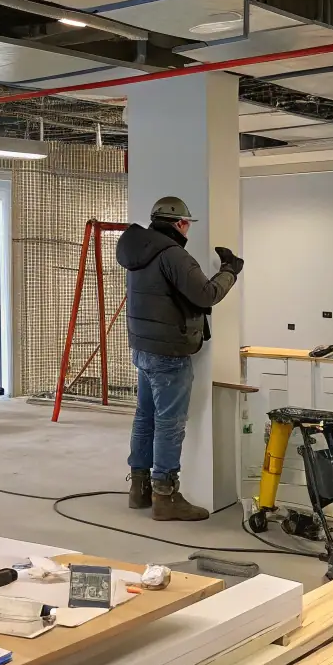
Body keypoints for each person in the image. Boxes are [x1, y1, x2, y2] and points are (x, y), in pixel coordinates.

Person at [116, 196, 243, 522]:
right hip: (169, 353)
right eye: (187, 224)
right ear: (180, 224)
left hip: (142, 348)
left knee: (145, 417)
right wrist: (230, 271)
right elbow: (206, 295)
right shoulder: (173, 255)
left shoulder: (138, 251)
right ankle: (165, 496)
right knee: (170, 425)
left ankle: (139, 489)